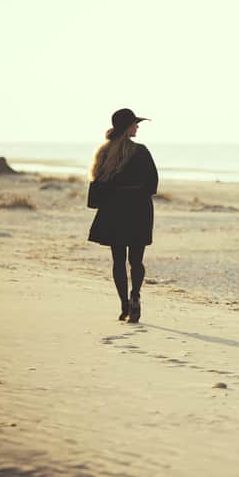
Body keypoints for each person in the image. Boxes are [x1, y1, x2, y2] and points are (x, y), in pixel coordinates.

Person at [88, 108, 158, 323]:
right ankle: (135, 295)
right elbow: (153, 183)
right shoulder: (141, 151)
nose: (137, 126)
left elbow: (98, 182)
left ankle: (124, 305)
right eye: (135, 123)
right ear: (128, 127)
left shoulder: (104, 152)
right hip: (138, 208)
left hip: (113, 210)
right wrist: (138, 194)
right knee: (136, 260)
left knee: (118, 260)